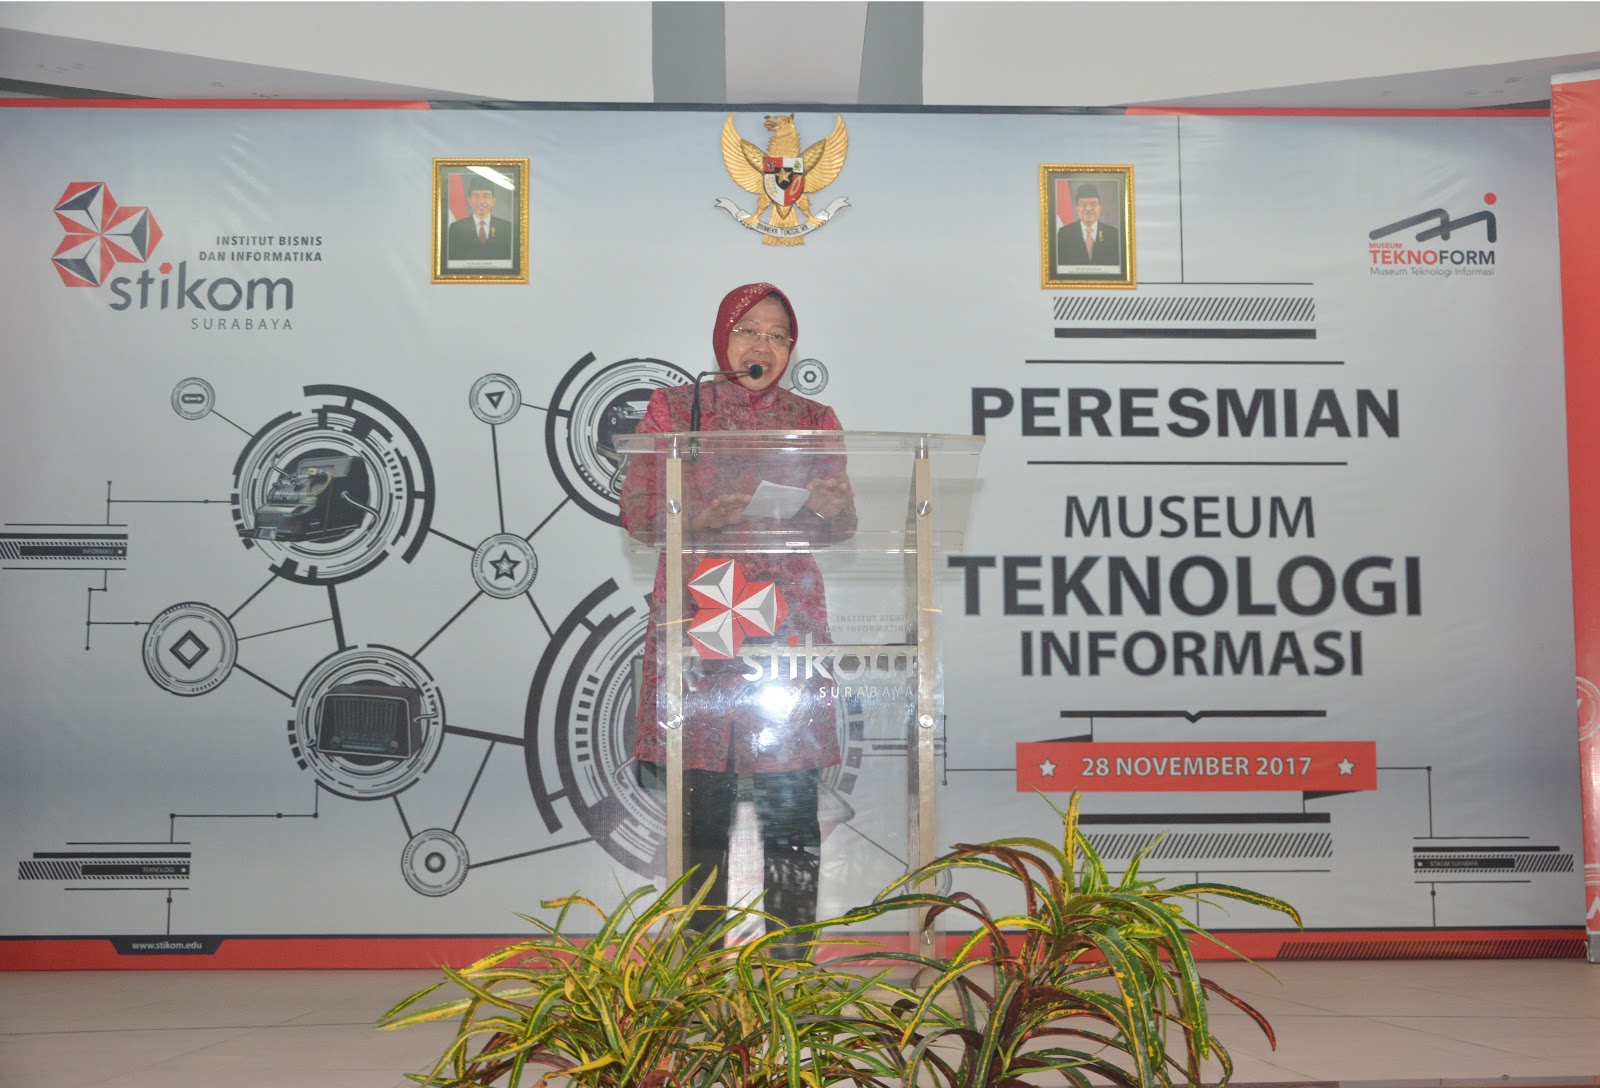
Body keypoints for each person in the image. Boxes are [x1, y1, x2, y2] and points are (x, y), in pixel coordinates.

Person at [619, 282, 855, 957]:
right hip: (703, 615)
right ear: (723, 336)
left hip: (785, 622)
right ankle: (698, 969)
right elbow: (639, 512)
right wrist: (700, 516)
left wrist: (833, 507)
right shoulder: (675, 410)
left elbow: (843, 524)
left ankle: (790, 968)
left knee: (790, 804)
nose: (763, 346)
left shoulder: (814, 418)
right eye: (749, 330)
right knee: (703, 806)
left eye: (778, 335)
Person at [447, 173, 514, 260]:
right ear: (470, 200)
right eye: (476, 196)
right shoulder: (456, 228)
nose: (481, 201)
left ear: (493, 201)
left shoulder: (507, 228)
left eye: (486, 196)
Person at [1055, 182, 1122, 267]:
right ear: (1077, 208)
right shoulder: (1064, 234)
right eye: (1083, 204)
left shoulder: (1113, 234)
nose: (1088, 208)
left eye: (1093, 204)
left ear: (1100, 208)